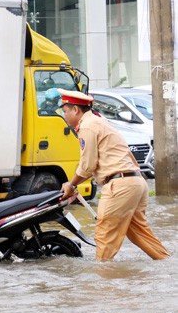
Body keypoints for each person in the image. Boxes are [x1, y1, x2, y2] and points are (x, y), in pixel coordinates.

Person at [58, 88, 170, 261]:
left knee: (104, 236)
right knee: (139, 234)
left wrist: (71, 185)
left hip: (120, 185)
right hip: (136, 183)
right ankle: (168, 264)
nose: (64, 115)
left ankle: (103, 283)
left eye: (65, 111)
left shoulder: (87, 127)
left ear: (76, 110)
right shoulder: (99, 122)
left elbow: (88, 166)